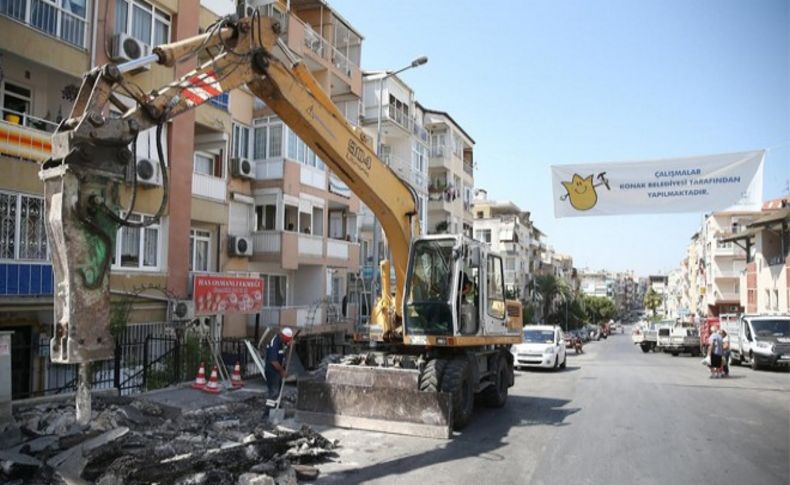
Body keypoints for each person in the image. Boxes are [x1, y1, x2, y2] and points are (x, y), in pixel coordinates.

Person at [265, 327, 293, 399]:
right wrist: (282, 371)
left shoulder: (281, 342)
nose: (286, 342)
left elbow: (283, 353)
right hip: (272, 371)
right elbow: (274, 361)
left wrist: (289, 346)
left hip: (277, 370)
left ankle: (276, 407)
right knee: (274, 392)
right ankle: (270, 409)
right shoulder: (274, 344)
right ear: (282, 336)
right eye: (286, 340)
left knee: (277, 392)